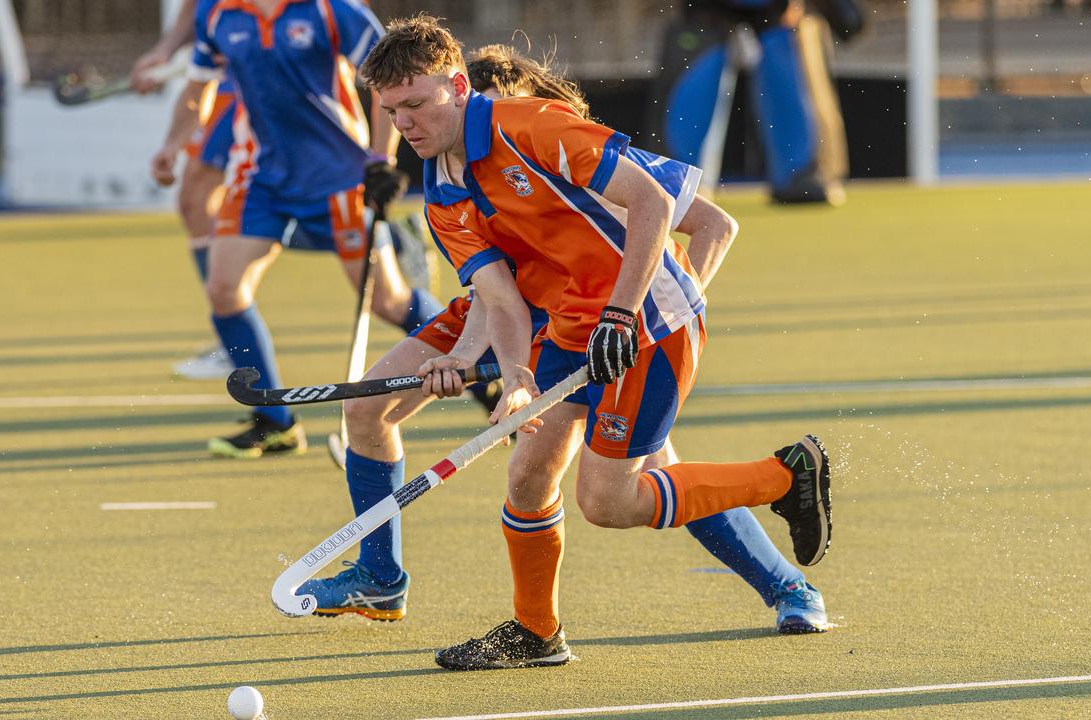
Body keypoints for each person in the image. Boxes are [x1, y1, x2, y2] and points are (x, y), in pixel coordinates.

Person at [296, 43, 827, 639]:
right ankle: (530, 631)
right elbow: (497, 296)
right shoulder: (443, 181)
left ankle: (785, 536)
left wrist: (643, 316)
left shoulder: (550, 135)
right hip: (552, 321)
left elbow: (702, 221)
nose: (405, 125)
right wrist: (498, 367)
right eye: (394, 112)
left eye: (417, 106)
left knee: (620, 491)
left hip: (623, 323)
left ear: (464, 94)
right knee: (530, 476)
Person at [184, 0, 444, 458]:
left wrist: (379, 160)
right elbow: (199, 85)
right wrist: (173, 145)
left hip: (339, 179)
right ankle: (275, 421)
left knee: (388, 301)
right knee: (224, 289)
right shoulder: (218, 12)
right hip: (263, 178)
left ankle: (478, 359)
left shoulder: (331, 11)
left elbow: (387, 80)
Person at [648, 0, 858, 205]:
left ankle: (803, 174)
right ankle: (675, 176)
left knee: (786, 57)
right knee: (698, 68)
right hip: (706, 11)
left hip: (777, 11)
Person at [131, 0, 238, 380]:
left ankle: (387, 240)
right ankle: (232, 339)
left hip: (269, 70)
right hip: (231, 70)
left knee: (201, 196)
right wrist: (166, 50)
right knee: (195, 200)